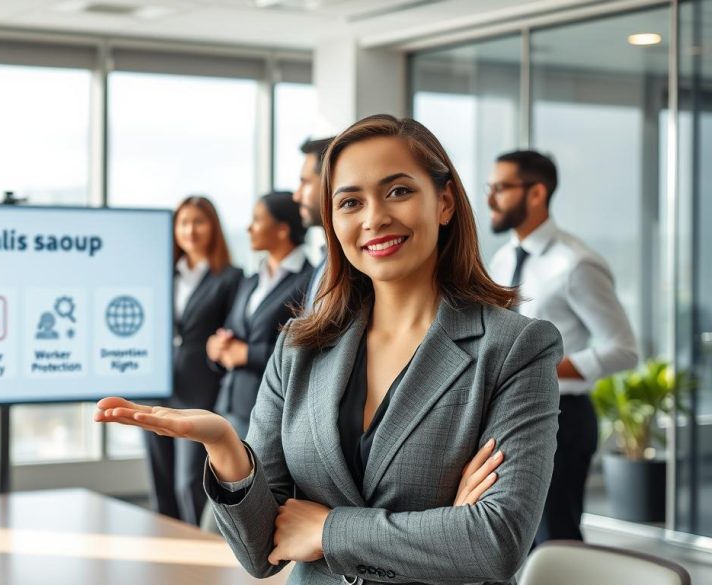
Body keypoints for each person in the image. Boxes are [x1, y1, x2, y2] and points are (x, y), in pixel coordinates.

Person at [97, 115, 561, 584]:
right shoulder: (300, 347)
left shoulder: (513, 347)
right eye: (350, 202)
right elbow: (260, 553)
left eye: (398, 191)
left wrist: (327, 530)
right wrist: (224, 447)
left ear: (443, 202)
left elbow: (494, 541)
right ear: (333, 222)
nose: (374, 217)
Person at [486, 150, 638, 544]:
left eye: (501, 188)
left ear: (536, 193)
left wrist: (539, 368)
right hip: (508, 414)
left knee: (556, 538)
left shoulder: (576, 263)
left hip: (563, 417)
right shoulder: (501, 261)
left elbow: (624, 349)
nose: (490, 199)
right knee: (511, 538)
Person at [145, 196, 243, 526]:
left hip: (199, 391)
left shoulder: (230, 278)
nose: (190, 230)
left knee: (188, 482)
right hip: (155, 387)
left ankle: (197, 554)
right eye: (183, 222)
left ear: (213, 227)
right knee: (160, 480)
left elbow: (229, 333)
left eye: (199, 222)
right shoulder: (160, 275)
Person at [207, 191, 311, 441]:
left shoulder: (309, 281)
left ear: (282, 229)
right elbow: (231, 331)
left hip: (267, 410)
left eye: (257, 219)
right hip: (229, 404)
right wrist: (216, 348)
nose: (249, 227)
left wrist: (247, 354)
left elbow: (307, 351)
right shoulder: (252, 280)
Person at [293, 136, 335, 311]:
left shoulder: (356, 268)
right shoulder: (325, 260)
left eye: (306, 182)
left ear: (330, 183)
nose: (296, 196)